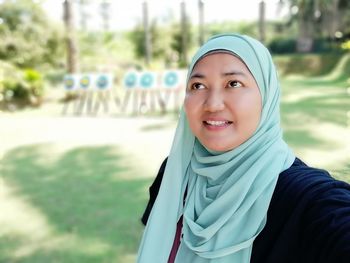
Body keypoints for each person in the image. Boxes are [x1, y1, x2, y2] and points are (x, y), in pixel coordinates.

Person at [136, 33, 350, 263]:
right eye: (198, 85)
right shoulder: (175, 174)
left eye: (233, 84)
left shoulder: (306, 198)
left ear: (267, 95)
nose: (213, 104)